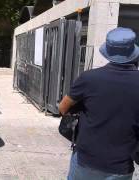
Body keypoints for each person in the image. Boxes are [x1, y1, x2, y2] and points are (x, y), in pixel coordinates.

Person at [59, 27, 139, 180]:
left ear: (108, 50)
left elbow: (63, 108)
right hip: (121, 165)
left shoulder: (89, 78)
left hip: (86, 160)